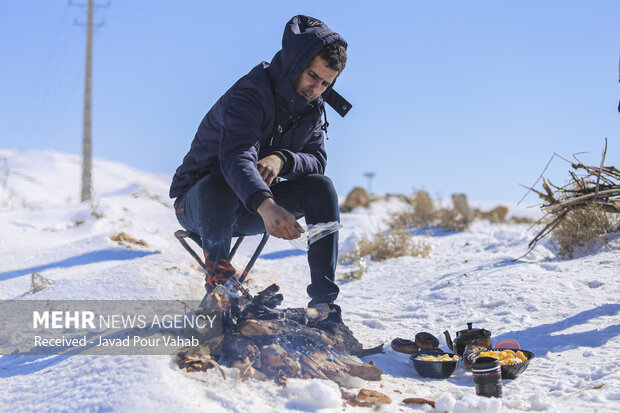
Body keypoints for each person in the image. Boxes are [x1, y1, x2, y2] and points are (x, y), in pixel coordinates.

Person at [169, 16, 351, 320]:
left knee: (321, 186)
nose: (316, 89)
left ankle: (323, 306)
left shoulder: (312, 108)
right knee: (220, 181)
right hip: (199, 205)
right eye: (312, 76)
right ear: (295, 63)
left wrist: (283, 158)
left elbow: (317, 159)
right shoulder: (251, 92)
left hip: (249, 208)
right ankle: (221, 287)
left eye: (325, 84)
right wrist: (266, 204)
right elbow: (236, 157)